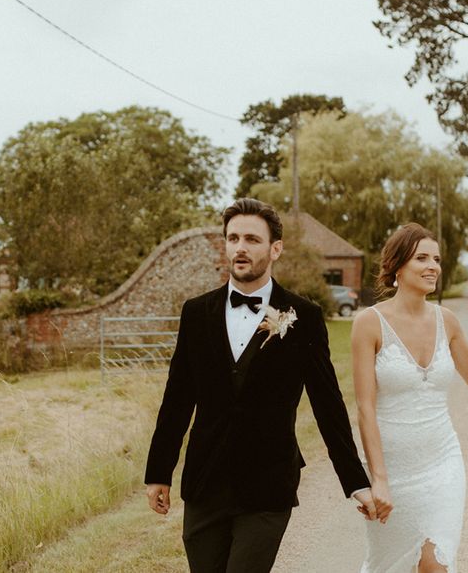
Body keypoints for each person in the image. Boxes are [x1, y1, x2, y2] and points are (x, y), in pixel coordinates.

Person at [145, 197, 375, 572]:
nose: (240, 247)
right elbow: (177, 399)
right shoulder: (196, 312)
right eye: (233, 238)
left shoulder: (304, 317)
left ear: (275, 248)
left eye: (252, 239)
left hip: (268, 483)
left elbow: (328, 406)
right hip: (205, 482)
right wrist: (158, 471)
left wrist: (355, 481)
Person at [352, 223, 468, 573]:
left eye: (437, 259)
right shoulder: (368, 323)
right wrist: (379, 478)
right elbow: (365, 408)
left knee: (434, 563)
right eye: (422, 258)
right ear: (398, 266)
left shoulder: (447, 321)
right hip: (393, 470)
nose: (433, 266)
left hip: (442, 464)